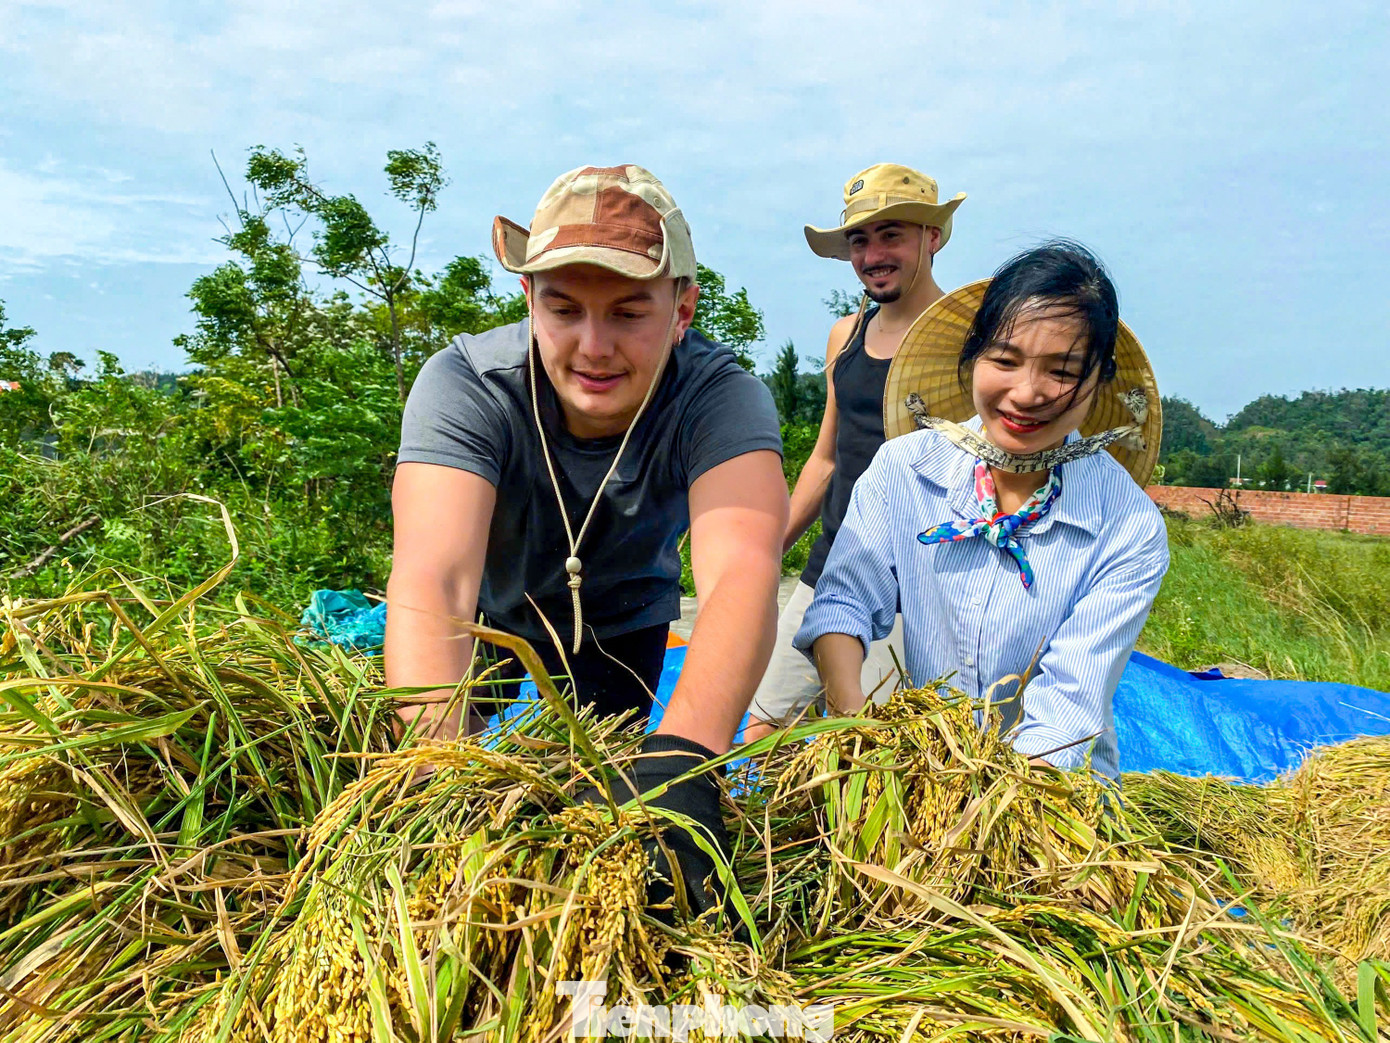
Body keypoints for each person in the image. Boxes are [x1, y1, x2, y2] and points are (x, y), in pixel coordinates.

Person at [386, 164, 788, 914]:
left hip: (624, 623)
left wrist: (685, 760)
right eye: (565, 310)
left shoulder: (720, 399)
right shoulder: (466, 386)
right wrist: (437, 774)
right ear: (528, 300)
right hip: (490, 621)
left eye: (630, 313)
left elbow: (741, 573)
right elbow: (434, 579)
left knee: (622, 811)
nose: (594, 346)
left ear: (682, 309)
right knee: (449, 796)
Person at [794, 241, 1167, 779]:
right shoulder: (904, 470)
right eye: (1005, 360)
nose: (1026, 393)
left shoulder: (1126, 527)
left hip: (1054, 799)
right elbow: (843, 604)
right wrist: (856, 730)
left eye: (1062, 372)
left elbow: (1067, 707)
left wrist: (981, 812)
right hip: (920, 773)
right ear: (973, 357)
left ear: (1099, 379)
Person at [745, 163, 966, 739]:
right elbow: (826, 459)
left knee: (872, 752)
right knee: (765, 729)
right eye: (859, 240)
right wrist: (766, 553)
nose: (872, 255)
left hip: (914, 584)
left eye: (891, 234)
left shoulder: (969, 342)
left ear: (932, 237)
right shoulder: (846, 334)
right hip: (830, 565)